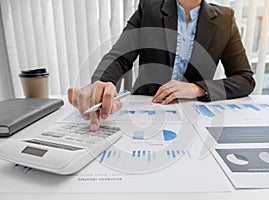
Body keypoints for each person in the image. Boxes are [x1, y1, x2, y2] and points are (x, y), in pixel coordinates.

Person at [68, 0, 255, 131]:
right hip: (146, 111)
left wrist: (197, 88)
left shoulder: (225, 19)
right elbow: (119, 56)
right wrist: (102, 84)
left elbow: (244, 78)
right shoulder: (149, 8)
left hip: (195, 117)